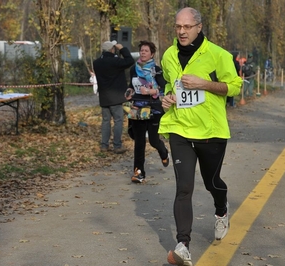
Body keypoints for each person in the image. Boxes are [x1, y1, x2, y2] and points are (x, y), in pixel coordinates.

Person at [159, 7, 242, 266]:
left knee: (212, 182)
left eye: (187, 27)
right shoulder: (168, 55)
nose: (181, 31)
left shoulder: (218, 55)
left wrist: (204, 84)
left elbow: (235, 87)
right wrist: (167, 99)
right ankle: (183, 244)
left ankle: (221, 209)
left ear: (198, 27)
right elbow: (168, 85)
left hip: (211, 132)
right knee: (183, 188)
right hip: (179, 129)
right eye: (178, 27)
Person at [125, 40, 169, 183]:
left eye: (146, 51)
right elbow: (131, 85)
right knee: (139, 142)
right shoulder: (133, 69)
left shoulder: (156, 70)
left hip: (154, 107)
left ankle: (163, 151)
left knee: (153, 140)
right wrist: (129, 92)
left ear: (152, 54)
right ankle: (139, 172)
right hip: (138, 107)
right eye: (141, 50)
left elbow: (164, 88)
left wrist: (150, 91)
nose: (143, 53)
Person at [93, 40, 134, 153]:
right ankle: (117, 145)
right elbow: (129, 60)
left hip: (104, 97)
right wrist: (122, 49)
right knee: (118, 120)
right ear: (112, 49)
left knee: (106, 121)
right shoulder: (115, 61)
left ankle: (104, 145)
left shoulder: (96, 63)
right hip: (116, 97)